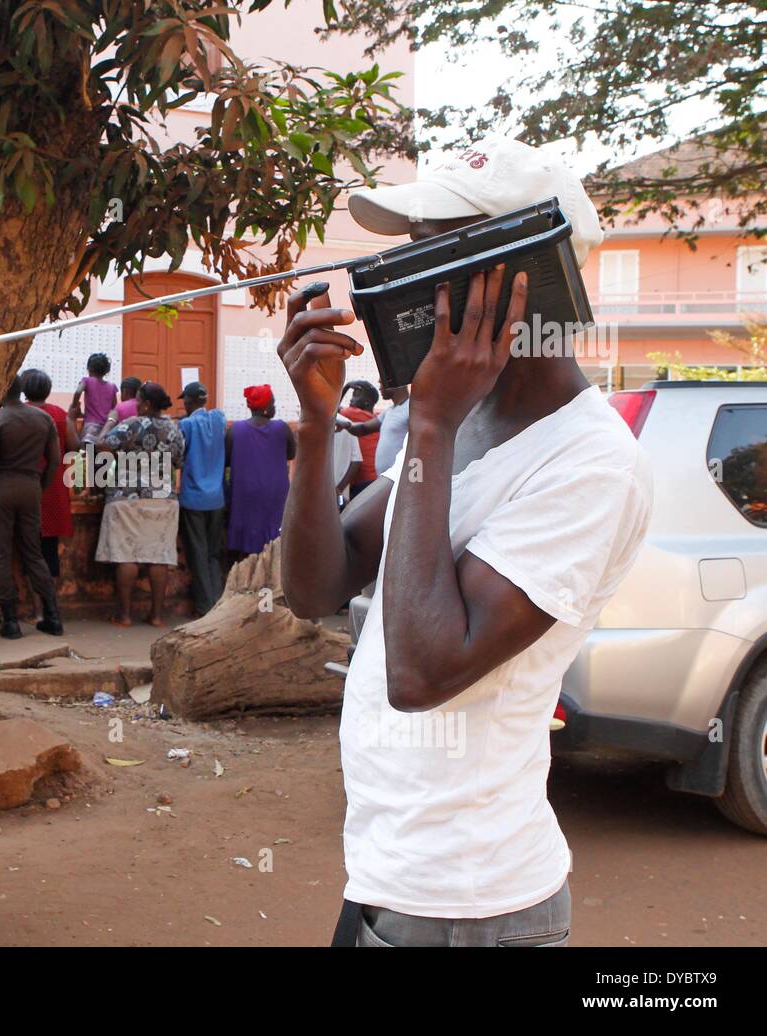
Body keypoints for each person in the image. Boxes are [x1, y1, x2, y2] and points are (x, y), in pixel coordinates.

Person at [278, 135, 651, 948]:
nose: (396, 282)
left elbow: (424, 671)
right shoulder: (456, 416)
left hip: (470, 908)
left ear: (528, 276)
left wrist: (436, 425)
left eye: (430, 253)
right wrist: (314, 426)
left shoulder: (590, 464)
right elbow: (315, 586)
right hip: (388, 873)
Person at [0, 373, 64, 639]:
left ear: (1, 389)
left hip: (0, 490)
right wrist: (40, 485)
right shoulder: (44, 418)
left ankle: (10, 621)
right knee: (33, 553)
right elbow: (55, 461)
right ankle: (53, 616)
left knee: (0, 554)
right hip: (30, 487)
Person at [94, 381, 185, 627]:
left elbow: (101, 444)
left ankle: (124, 615)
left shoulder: (130, 425)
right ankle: (156, 616)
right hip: (163, 499)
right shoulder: (175, 430)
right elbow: (178, 461)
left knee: (127, 555)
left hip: (127, 497)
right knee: (159, 556)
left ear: (145, 404)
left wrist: (111, 422)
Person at [22, 369, 78, 616]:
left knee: (29, 551)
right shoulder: (60, 415)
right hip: (54, 489)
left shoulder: (18, 414)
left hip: (26, 488)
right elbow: (75, 446)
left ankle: (36, 610)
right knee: (49, 550)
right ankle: (51, 607)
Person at [225, 384, 295, 558]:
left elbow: (226, 460)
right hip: (275, 493)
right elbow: (291, 453)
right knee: (274, 538)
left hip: (244, 493)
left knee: (246, 541)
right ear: (265, 407)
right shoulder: (282, 428)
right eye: (272, 403)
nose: (274, 407)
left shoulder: (235, 430)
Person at [176, 381, 227, 616]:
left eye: (185, 400)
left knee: (197, 552)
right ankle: (217, 601)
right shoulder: (218, 419)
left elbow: (178, 454)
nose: (184, 404)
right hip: (216, 497)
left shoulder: (186, 425)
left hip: (194, 497)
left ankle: (205, 606)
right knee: (213, 554)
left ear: (190, 401)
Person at [339, 379, 410, 474]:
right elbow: (363, 429)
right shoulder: (390, 411)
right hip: (384, 478)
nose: (379, 387)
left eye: (382, 382)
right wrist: (346, 425)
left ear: (394, 381)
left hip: (400, 477)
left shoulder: (411, 408)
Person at [338, 380, 379, 497]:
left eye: (356, 396)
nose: (351, 400)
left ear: (367, 403)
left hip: (364, 480)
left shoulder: (354, 414)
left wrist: (346, 387)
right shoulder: (375, 417)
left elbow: (331, 407)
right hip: (375, 477)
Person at [70, 352, 119, 444]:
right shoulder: (112, 386)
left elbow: (78, 392)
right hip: (106, 428)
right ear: (107, 371)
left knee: (85, 455)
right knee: (101, 456)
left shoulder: (87, 381)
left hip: (90, 427)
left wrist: (74, 406)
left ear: (88, 368)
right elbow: (114, 408)